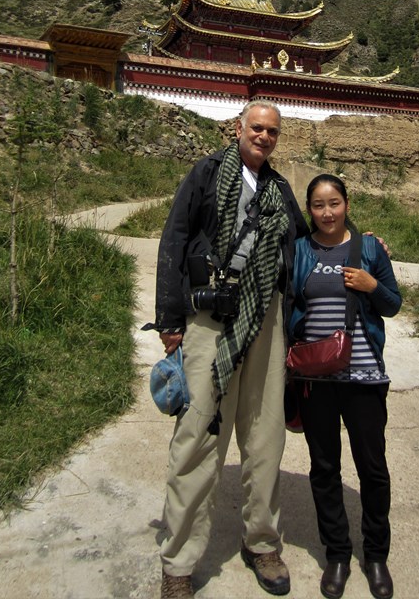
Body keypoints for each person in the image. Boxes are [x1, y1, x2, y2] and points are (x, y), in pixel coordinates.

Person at [153, 101, 308, 599]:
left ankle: (262, 542)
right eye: (256, 128)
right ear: (238, 128)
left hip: (266, 320)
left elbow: (302, 247)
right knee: (197, 436)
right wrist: (171, 317)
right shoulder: (207, 173)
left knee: (265, 438)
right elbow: (175, 237)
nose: (264, 137)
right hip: (208, 321)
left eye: (272, 132)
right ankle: (178, 560)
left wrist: (357, 245)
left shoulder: (280, 191)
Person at [288, 174, 402, 599]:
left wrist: (372, 286)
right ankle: (337, 554)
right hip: (315, 379)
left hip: (363, 375)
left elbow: (393, 304)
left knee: (372, 468)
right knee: (324, 468)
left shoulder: (369, 248)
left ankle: (376, 556)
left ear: (347, 204)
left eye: (334, 203)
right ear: (309, 210)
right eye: (318, 205)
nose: (327, 212)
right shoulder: (301, 250)